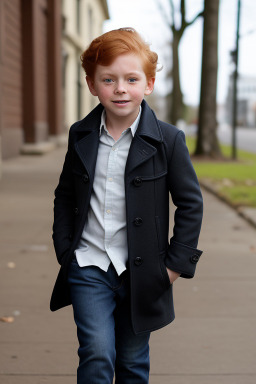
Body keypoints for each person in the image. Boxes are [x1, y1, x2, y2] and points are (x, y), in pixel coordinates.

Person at [50, 28, 203, 384]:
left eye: (131, 79)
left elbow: (190, 204)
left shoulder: (168, 140)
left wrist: (174, 267)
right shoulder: (80, 134)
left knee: (133, 363)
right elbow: (65, 194)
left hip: (143, 272)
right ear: (92, 84)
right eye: (109, 79)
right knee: (97, 352)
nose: (120, 88)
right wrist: (65, 249)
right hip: (88, 265)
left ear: (148, 84)